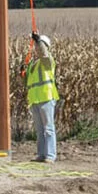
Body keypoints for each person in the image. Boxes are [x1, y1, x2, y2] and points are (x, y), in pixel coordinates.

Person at [27, 33, 59, 163]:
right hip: (35, 99)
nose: (36, 48)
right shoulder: (33, 64)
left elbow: (43, 53)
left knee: (48, 128)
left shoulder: (47, 61)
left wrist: (38, 40)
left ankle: (50, 155)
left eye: (39, 45)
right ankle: (41, 154)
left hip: (46, 97)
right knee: (40, 130)